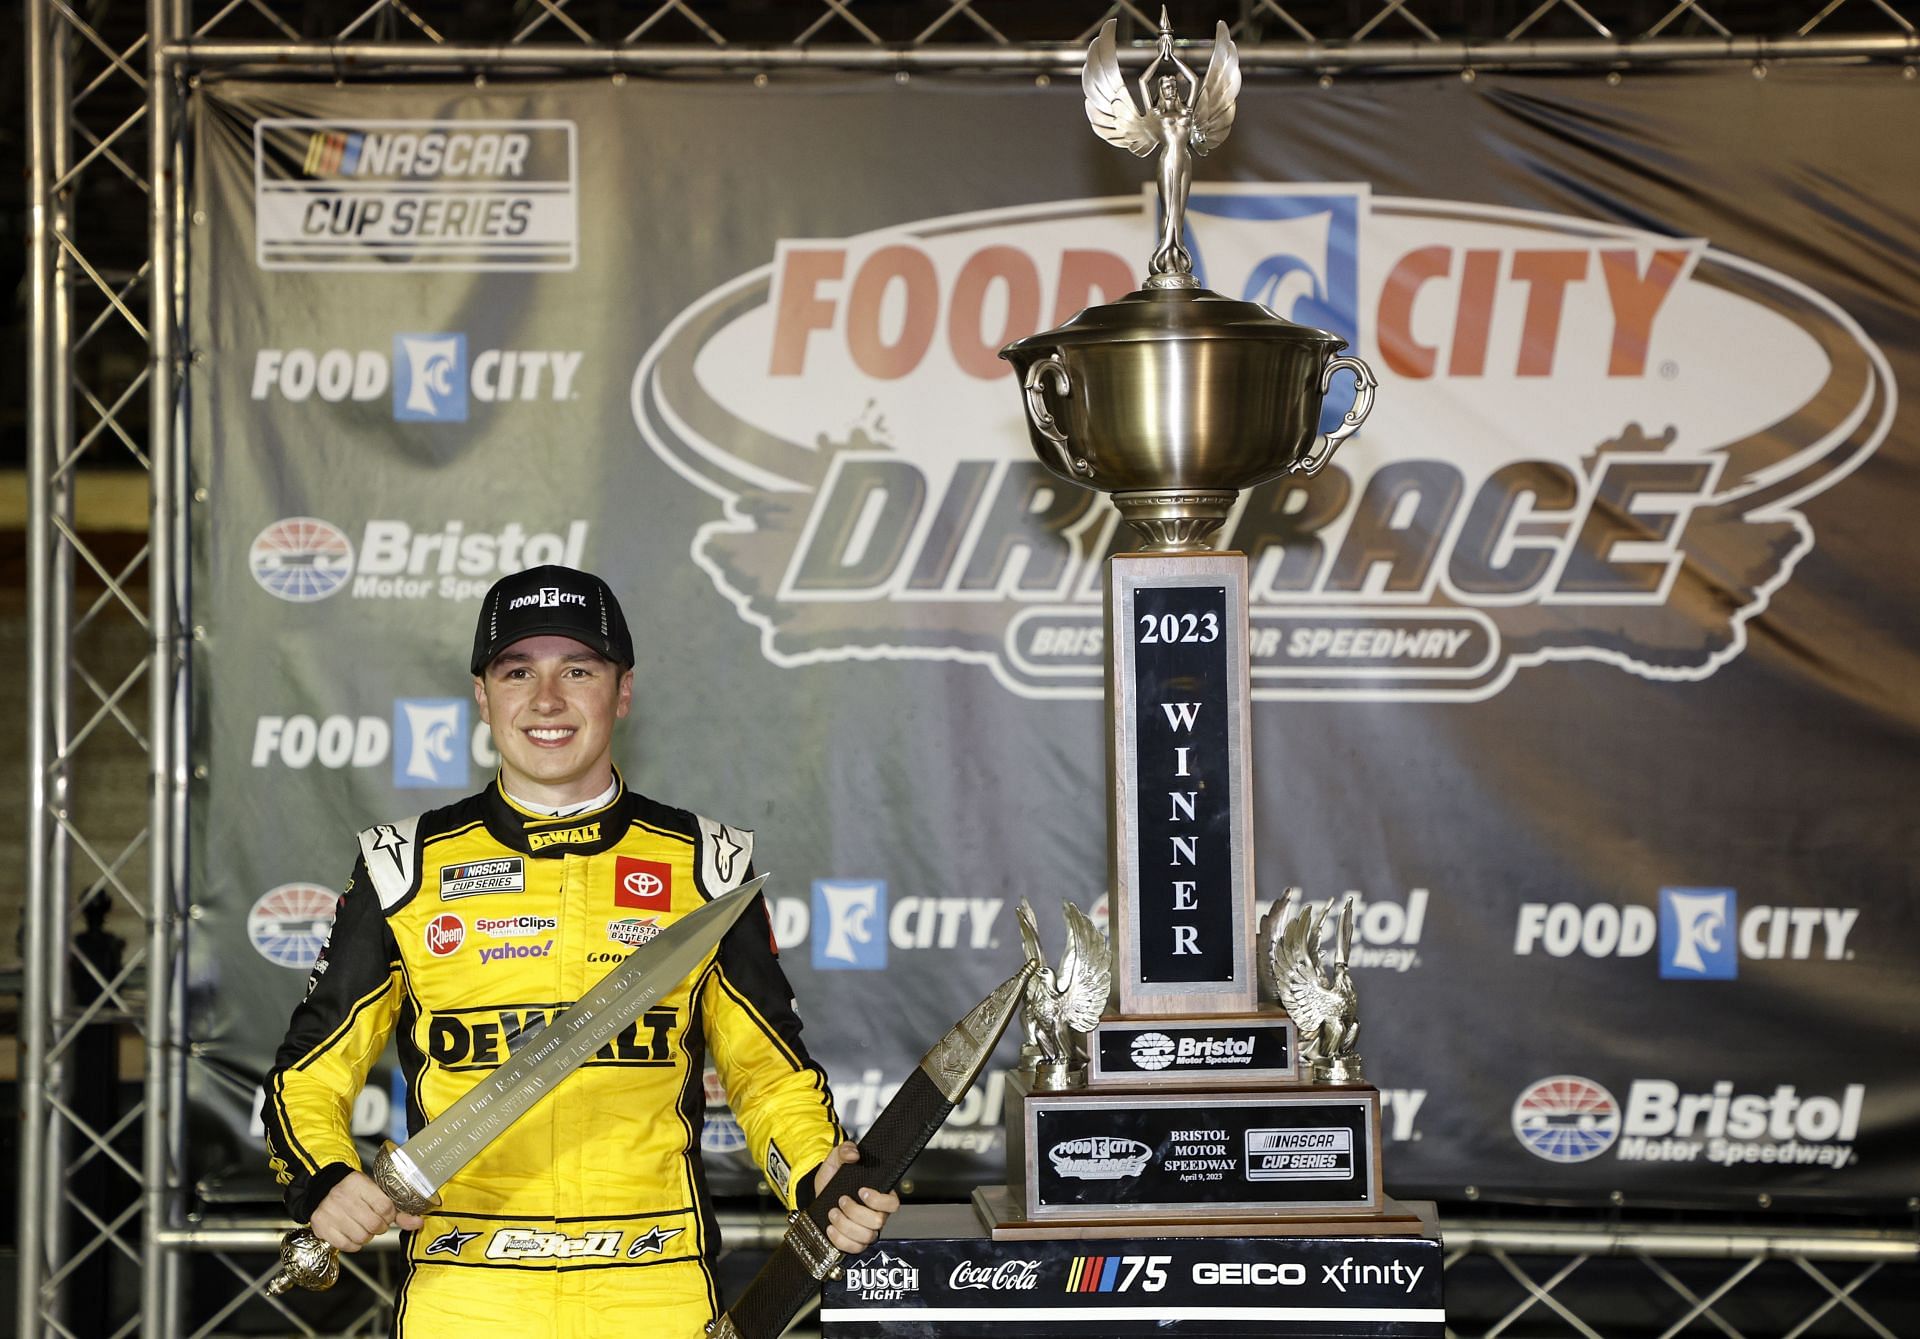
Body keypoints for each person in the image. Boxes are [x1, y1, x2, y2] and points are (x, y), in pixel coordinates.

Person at [262, 564, 897, 1336]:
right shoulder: (404, 867)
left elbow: (767, 1077)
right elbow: (308, 1075)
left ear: (622, 692)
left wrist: (813, 1173)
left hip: (655, 1285)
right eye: (517, 670)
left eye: (579, 670)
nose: (547, 700)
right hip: (467, 1290)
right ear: (482, 694)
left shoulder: (707, 866)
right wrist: (324, 1177)